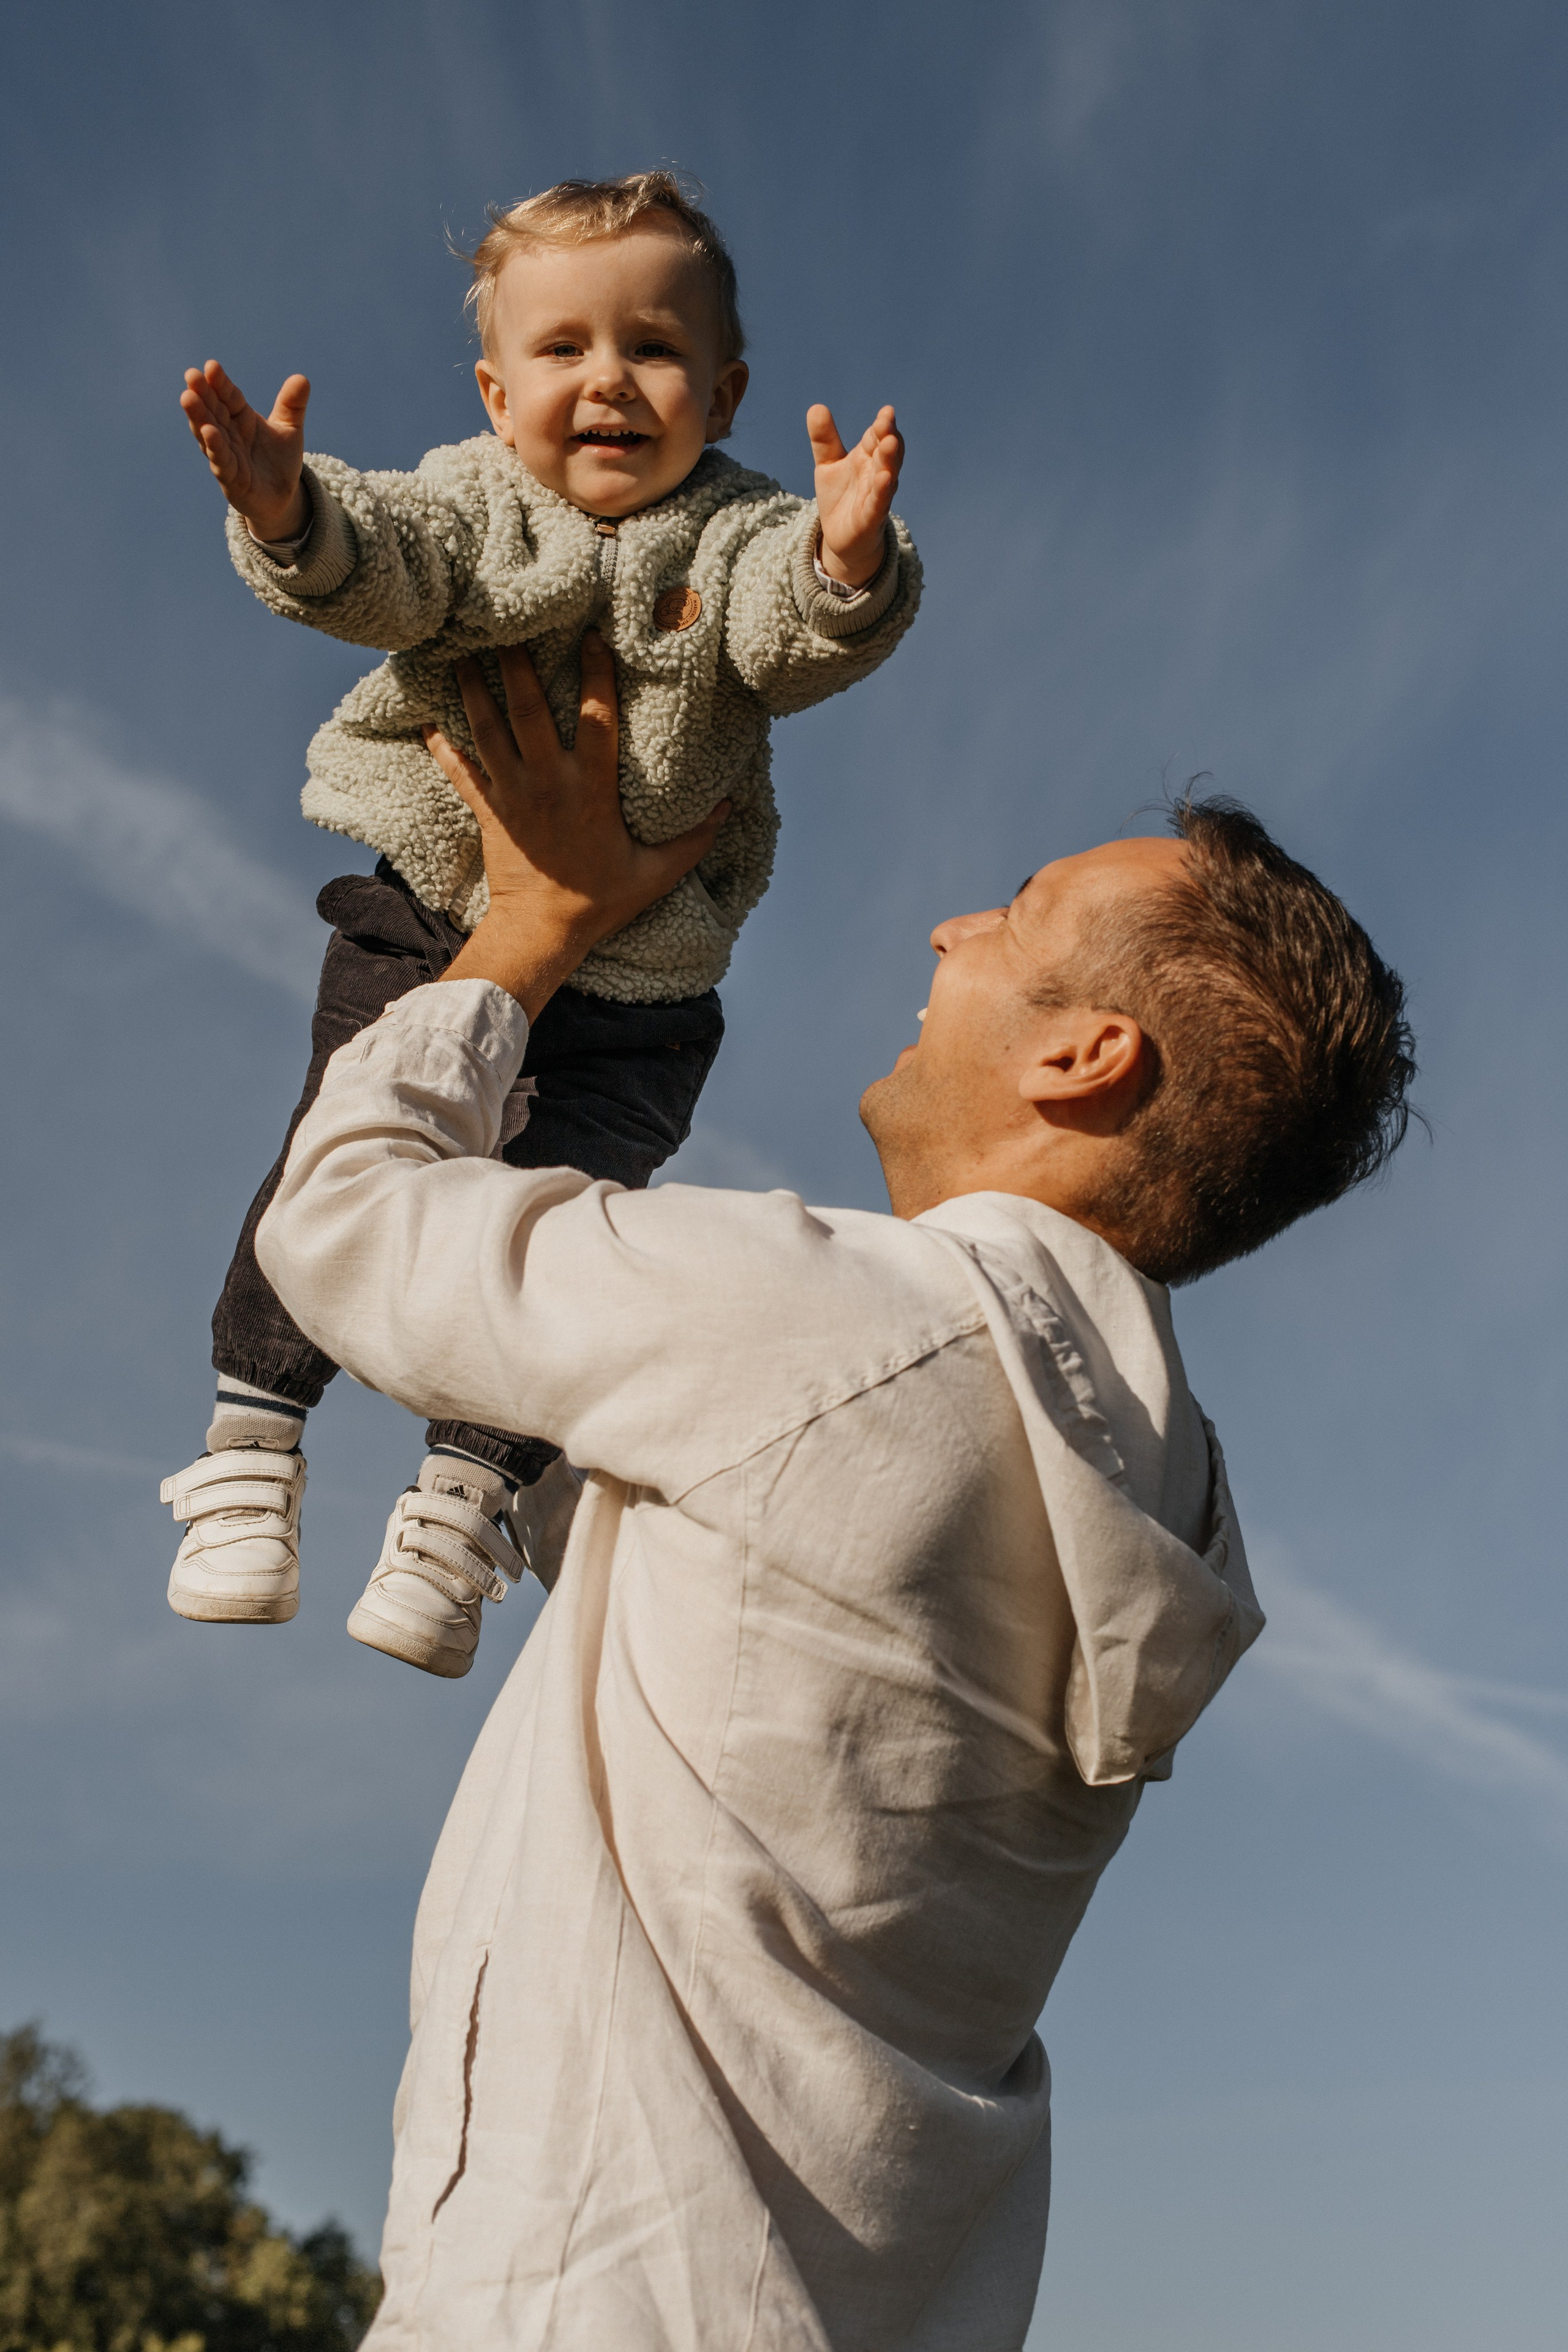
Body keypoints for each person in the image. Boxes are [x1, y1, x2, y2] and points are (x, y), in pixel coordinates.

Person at [254, 639, 1417, 2351]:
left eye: (1012, 916)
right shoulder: (1167, 1488)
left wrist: (532, 928)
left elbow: (344, 1230)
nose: (950, 932)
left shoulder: (843, 1333)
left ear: (1086, 1057)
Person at [161, 171, 920, 1673]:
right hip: (433, 918)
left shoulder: (738, 531)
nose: (608, 383)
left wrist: (845, 562)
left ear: (724, 390)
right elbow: (383, 567)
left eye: (651, 347)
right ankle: (253, 1440)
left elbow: (786, 631)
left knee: (559, 1241)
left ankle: (463, 1504)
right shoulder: (470, 501)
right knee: (343, 1155)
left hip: (648, 983)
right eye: (562, 351)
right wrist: (287, 509)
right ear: (498, 394)